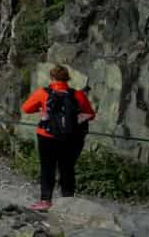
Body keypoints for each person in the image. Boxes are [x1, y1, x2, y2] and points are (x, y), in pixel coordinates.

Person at [21, 64, 95, 210]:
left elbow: (26, 108)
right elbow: (91, 114)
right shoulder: (77, 94)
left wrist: (42, 109)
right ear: (67, 78)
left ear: (52, 77)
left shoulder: (43, 93)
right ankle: (68, 202)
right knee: (67, 168)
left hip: (47, 136)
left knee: (47, 168)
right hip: (71, 137)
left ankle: (45, 201)